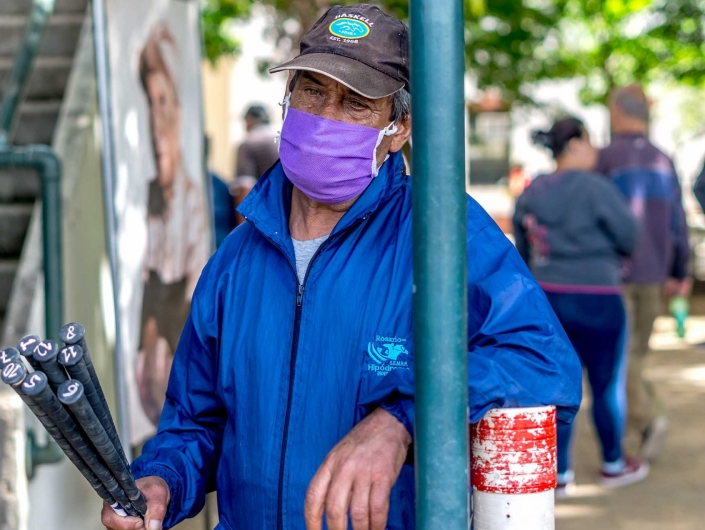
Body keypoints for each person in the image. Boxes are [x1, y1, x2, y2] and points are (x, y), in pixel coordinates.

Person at [102, 5, 581, 530]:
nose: (326, 116)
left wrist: (404, 420)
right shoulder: (235, 259)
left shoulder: (443, 233)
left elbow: (542, 366)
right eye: (312, 90)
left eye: (355, 102)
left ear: (398, 128)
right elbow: (197, 421)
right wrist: (163, 480)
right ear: (288, 100)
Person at [514, 118, 644, 495]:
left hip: (550, 299)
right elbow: (629, 235)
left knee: (558, 386)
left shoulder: (533, 190)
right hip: (600, 298)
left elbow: (523, 250)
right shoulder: (597, 188)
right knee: (605, 386)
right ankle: (613, 464)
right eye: (590, 143)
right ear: (575, 145)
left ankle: (559, 475)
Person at [597, 85, 690, 461]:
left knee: (622, 358)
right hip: (654, 271)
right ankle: (638, 430)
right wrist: (679, 269)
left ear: (618, 112)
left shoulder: (605, 160)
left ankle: (649, 419)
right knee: (636, 354)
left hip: (614, 273)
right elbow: (677, 222)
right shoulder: (663, 160)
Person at [135, 26, 211, 426]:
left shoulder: (191, 201)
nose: (154, 119)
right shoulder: (146, 199)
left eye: (163, 102)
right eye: (149, 102)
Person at [232, 104, 280, 226]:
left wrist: (241, 230)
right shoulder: (280, 142)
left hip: (262, 217)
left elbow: (245, 187)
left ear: (248, 120)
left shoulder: (248, 145)